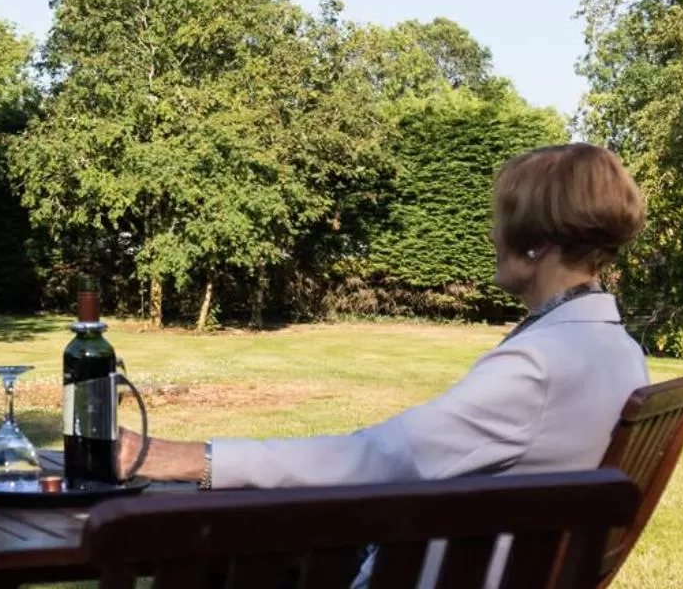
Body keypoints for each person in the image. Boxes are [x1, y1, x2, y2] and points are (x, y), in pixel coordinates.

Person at [121, 142, 649, 490]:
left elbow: (377, 459)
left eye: (500, 222)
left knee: (216, 575)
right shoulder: (617, 350)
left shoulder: (539, 364)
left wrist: (194, 458)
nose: (491, 236)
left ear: (534, 244)